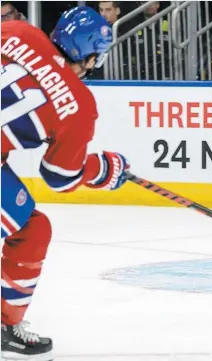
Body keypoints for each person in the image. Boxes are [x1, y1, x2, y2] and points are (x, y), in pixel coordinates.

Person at [1, 6, 130, 360]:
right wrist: (103, 169)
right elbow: (59, 176)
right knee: (33, 230)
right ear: (89, 56)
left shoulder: (17, 31)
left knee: (27, 222)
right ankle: (5, 323)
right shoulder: (79, 104)